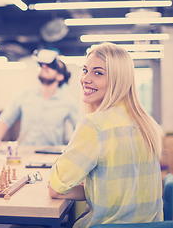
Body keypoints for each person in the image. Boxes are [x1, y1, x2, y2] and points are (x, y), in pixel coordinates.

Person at [48, 43, 163, 227]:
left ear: (118, 80)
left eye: (98, 73)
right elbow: (119, 190)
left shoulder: (95, 125)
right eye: (85, 70)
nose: (86, 78)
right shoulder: (146, 124)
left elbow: (55, 187)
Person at [0, 49, 79, 147]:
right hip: (24, 152)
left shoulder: (69, 102)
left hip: (52, 155)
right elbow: (6, 119)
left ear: (60, 76)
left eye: (51, 66)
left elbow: (79, 129)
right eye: (42, 65)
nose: (44, 66)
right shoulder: (23, 95)